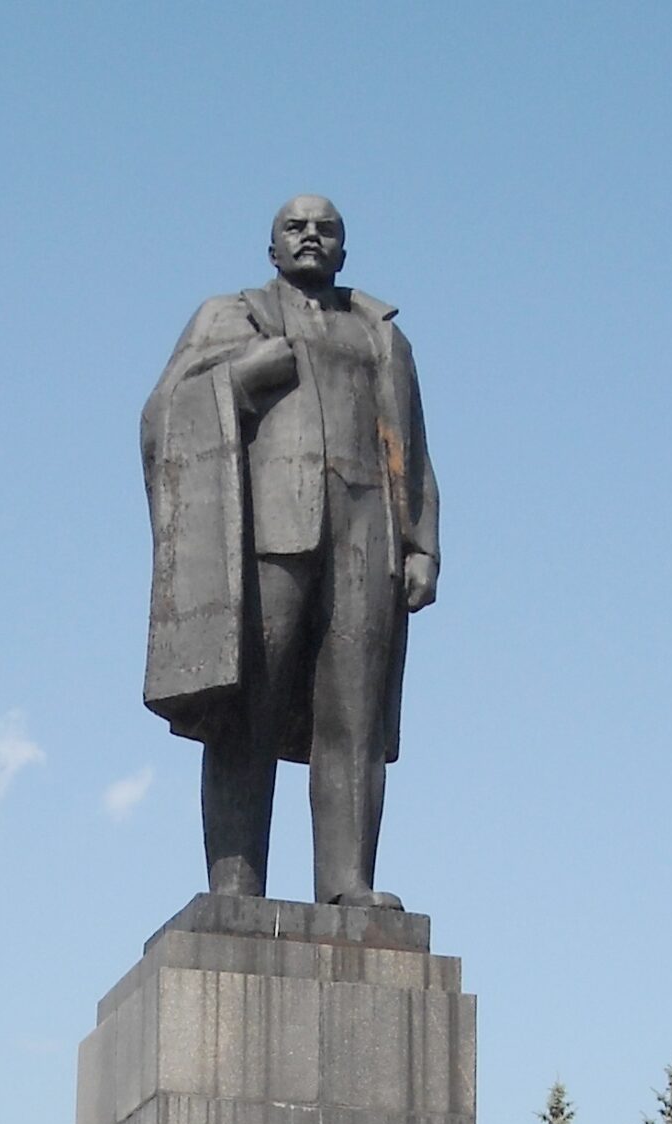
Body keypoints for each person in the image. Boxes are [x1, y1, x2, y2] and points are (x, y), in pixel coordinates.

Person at [142, 195, 439, 907]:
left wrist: (422, 544)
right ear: (271, 249)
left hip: (366, 534)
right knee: (249, 708)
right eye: (295, 227)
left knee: (355, 716)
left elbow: (415, 448)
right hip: (269, 532)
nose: (310, 236)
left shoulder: (382, 335)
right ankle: (235, 887)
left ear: (344, 248)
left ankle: (347, 884)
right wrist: (241, 378)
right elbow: (161, 416)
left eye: (325, 228)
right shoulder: (231, 316)